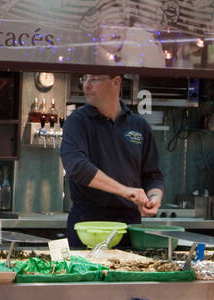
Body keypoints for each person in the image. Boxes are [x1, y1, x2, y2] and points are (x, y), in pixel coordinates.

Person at [58, 72, 165, 248]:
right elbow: (77, 167)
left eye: (94, 79)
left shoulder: (139, 125)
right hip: (89, 223)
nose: (86, 85)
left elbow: (153, 175)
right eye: (84, 79)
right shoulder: (77, 122)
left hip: (129, 225)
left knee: (131, 273)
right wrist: (125, 191)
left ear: (116, 82)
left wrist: (154, 198)